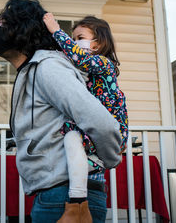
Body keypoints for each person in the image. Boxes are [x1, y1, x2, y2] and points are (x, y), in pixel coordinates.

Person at [0, 0, 122, 223]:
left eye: (3, 22)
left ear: (22, 30)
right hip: (56, 195)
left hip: (68, 198)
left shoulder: (48, 67)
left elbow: (101, 122)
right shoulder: (37, 69)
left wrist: (110, 158)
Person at [43, 13, 129, 222]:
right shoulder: (87, 71)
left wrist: (56, 30)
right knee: (74, 145)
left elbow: (78, 56)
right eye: (73, 38)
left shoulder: (103, 63)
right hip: (94, 129)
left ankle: (77, 203)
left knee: (71, 138)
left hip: (108, 126)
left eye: (80, 37)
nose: (74, 42)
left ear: (97, 44)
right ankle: (87, 170)